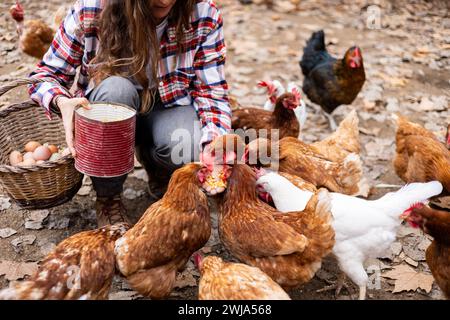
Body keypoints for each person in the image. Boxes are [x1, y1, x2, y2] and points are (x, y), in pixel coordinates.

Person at [28, 0, 231, 227]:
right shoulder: (92, 8)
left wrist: (215, 144)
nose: (165, 1)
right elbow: (44, 76)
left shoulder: (202, 12)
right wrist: (60, 100)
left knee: (189, 145)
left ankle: (157, 165)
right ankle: (108, 196)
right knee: (116, 90)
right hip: (114, 105)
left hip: (168, 106)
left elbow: (211, 92)